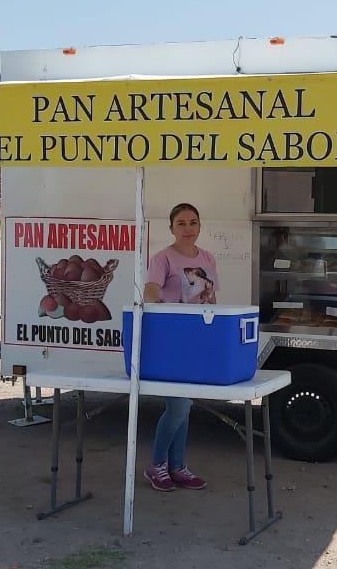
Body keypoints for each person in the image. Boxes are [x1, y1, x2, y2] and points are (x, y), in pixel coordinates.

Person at [140, 203, 217, 491]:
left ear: (200, 226)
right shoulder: (162, 259)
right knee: (178, 406)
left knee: (186, 407)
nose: (188, 228)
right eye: (181, 223)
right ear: (171, 228)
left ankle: (177, 467)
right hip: (172, 339)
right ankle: (157, 466)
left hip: (197, 339)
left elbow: (210, 300)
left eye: (193, 222)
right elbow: (151, 288)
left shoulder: (208, 258)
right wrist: (154, 300)